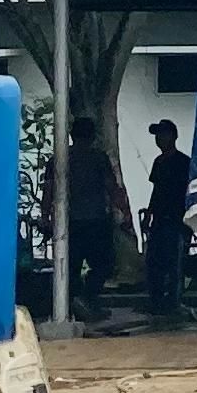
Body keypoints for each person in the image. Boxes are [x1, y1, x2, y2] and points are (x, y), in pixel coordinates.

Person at [63, 109, 125, 306]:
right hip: (95, 221)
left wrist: (47, 217)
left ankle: (74, 302)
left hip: (70, 222)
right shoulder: (98, 158)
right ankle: (87, 297)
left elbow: (49, 191)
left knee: (71, 267)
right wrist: (123, 211)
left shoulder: (62, 158)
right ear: (92, 136)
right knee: (104, 265)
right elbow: (111, 187)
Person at [143, 118, 193, 321]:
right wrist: (149, 213)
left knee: (175, 262)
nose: (159, 139)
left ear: (172, 136)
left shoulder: (183, 162)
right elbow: (156, 191)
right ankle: (156, 301)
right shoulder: (159, 162)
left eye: (162, 134)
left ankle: (174, 302)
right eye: (157, 135)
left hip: (177, 219)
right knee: (154, 261)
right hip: (160, 219)